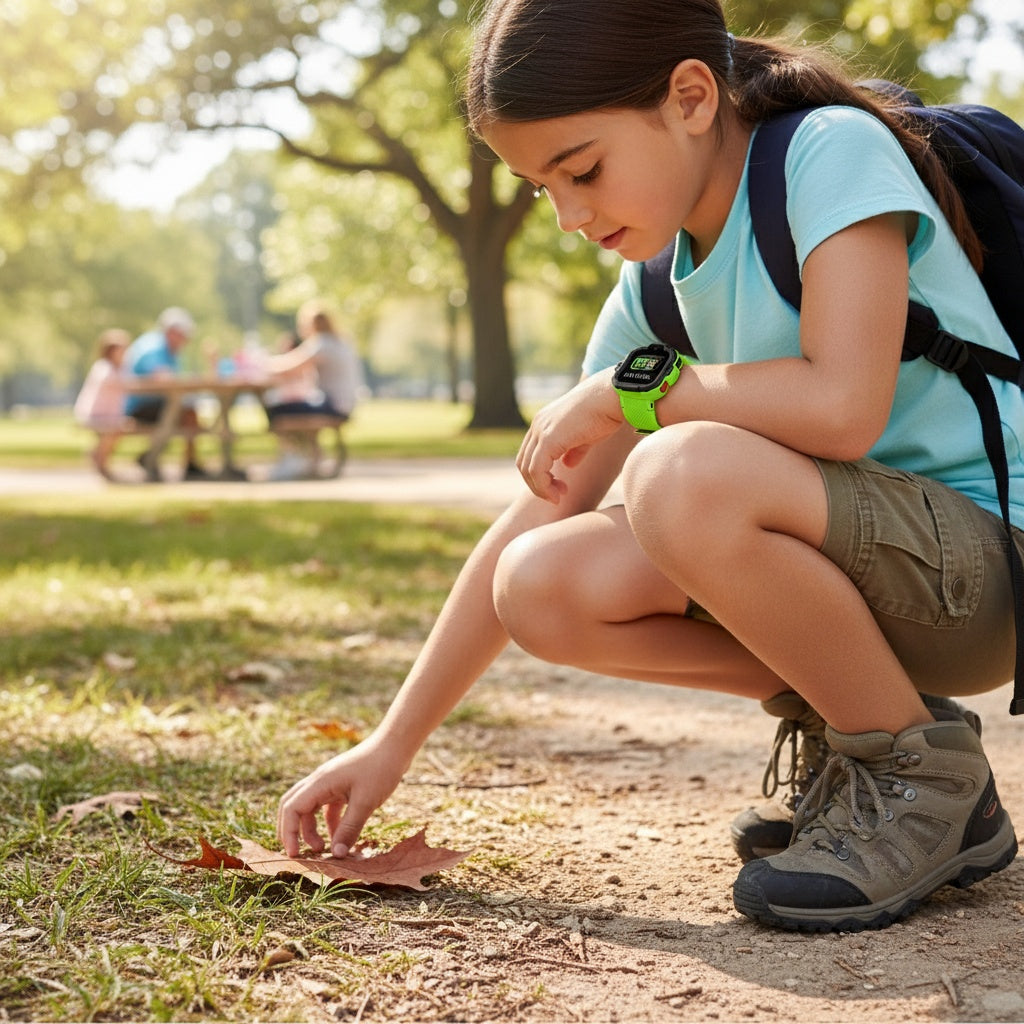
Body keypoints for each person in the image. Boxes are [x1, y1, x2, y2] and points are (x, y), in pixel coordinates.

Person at [277, 0, 1022, 933]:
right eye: (540, 187)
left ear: (691, 96)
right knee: (541, 581)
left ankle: (917, 772)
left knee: (679, 473)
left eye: (581, 170)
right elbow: (541, 508)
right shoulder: (655, 284)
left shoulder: (828, 152)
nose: (568, 216)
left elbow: (842, 405)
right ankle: (868, 729)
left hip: (987, 572)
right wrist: (391, 744)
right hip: (874, 574)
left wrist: (634, 393)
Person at [263, 302, 362, 480]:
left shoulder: (321, 343)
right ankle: (309, 458)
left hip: (334, 405)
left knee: (276, 409)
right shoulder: (339, 341)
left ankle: (294, 456)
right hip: (343, 403)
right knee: (292, 407)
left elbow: (289, 366)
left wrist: (261, 363)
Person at [123, 307, 212, 482]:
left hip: (160, 403)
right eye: (183, 335)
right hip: (140, 406)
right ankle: (152, 459)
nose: (186, 341)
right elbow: (162, 378)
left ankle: (182, 462)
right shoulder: (153, 347)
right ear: (172, 332)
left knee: (189, 414)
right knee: (185, 414)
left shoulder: (170, 352)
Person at [73, 328, 132, 480]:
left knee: (122, 427)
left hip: (109, 415)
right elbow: (117, 383)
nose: (125, 353)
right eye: (122, 350)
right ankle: (100, 461)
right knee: (116, 428)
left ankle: (99, 457)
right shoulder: (103, 367)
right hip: (95, 414)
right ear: (110, 351)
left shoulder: (121, 369)